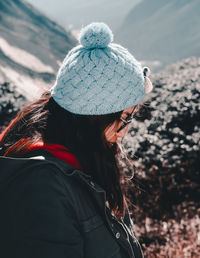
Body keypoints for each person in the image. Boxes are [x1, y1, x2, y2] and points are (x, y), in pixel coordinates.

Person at [0, 22, 153, 258]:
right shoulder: (41, 187)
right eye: (125, 117)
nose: (125, 131)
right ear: (94, 118)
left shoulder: (86, 161)